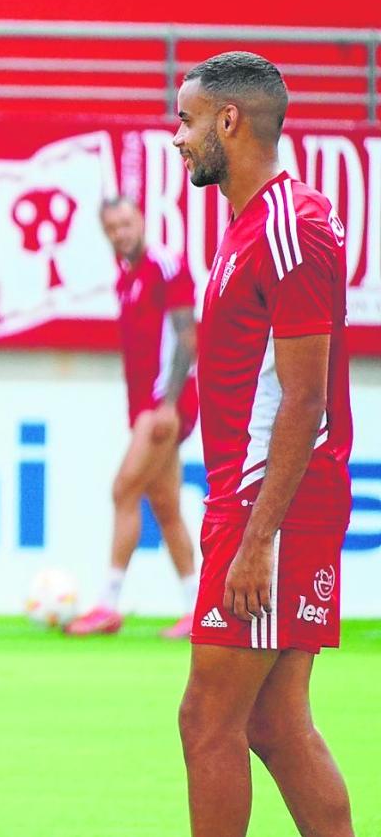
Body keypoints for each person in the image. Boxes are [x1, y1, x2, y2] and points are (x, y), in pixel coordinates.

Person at [173, 51, 354, 836]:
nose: (176, 138)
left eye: (185, 120)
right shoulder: (252, 226)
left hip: (268, 507)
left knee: (206, 721)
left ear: (228, 120)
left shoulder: (290, 226)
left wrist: (258, 539)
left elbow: (307, 396)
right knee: (274, 727)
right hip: (258, 504)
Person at [66, 196, 199, 638]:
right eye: (112, 228)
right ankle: (198, 607)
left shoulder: (164, 264)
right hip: (146, 404)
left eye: (126, 223)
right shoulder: (126, 279)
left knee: (124, 490)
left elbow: (187, 336)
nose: (121, 233)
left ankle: (107, 604)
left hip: (164, 404)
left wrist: (169, 404)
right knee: (164, 505)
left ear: (140, 220)